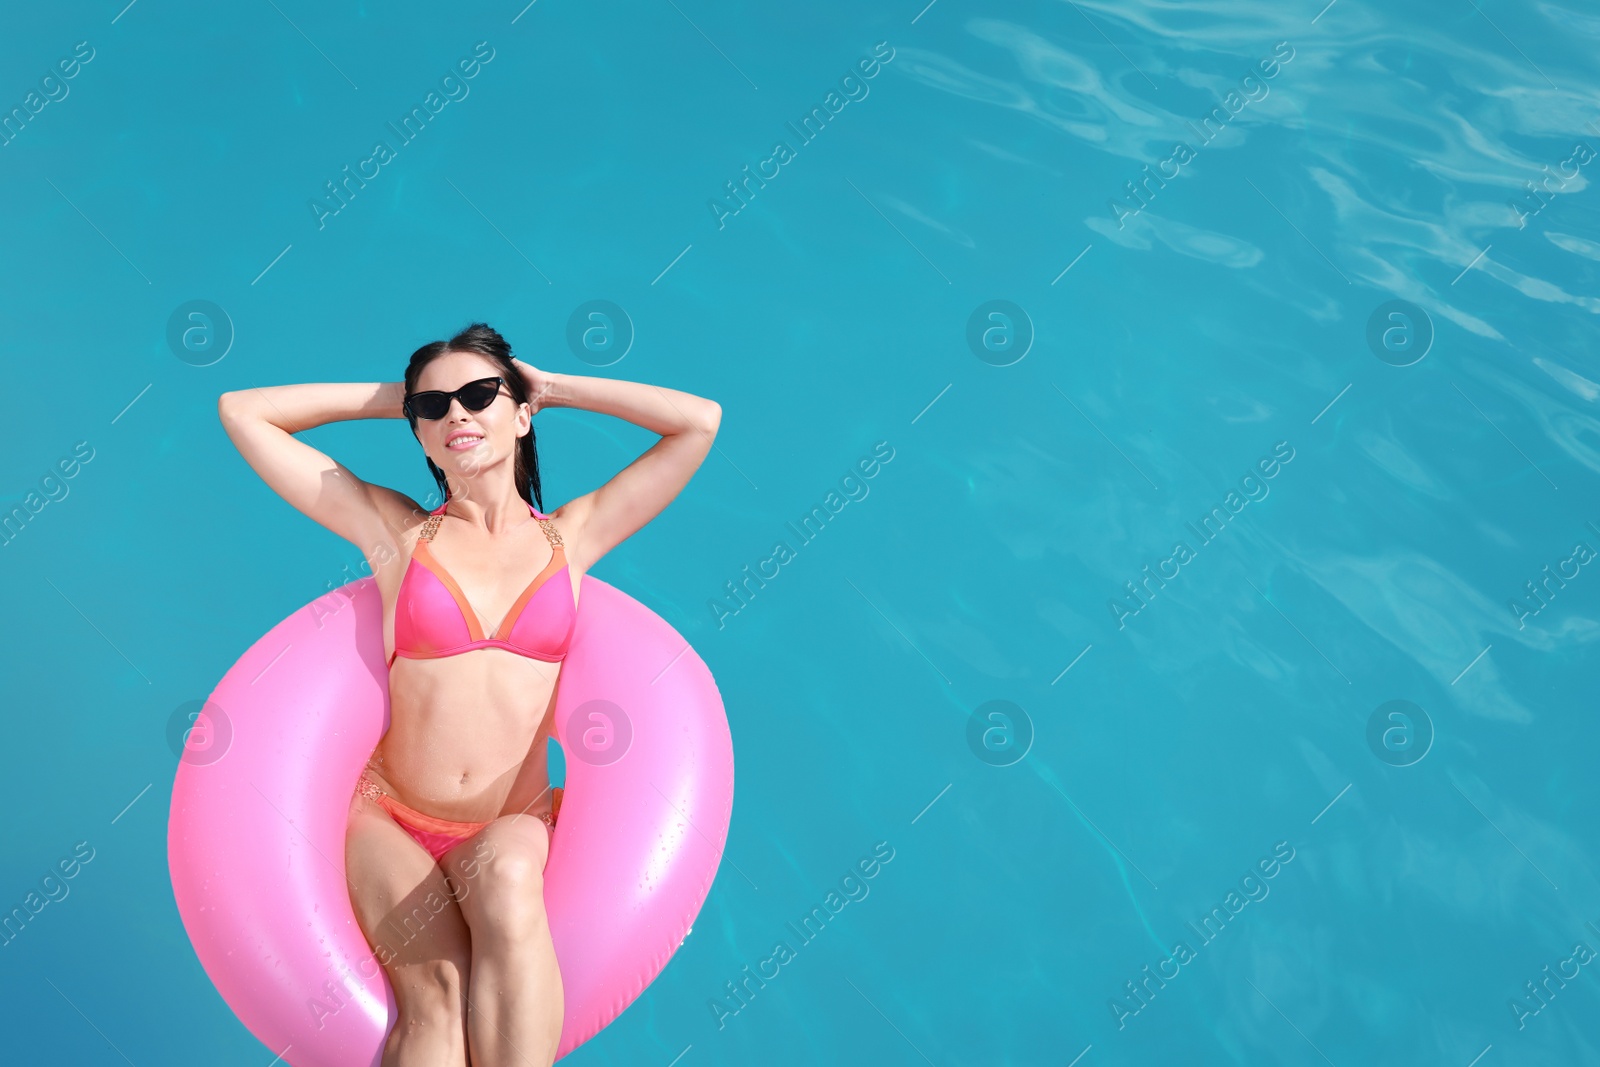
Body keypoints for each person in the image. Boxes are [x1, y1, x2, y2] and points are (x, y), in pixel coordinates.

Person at [217, 322, 720, 1067]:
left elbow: (697, 422)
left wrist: (549, 386)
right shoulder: (397, 532)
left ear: (520, 415)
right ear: (416, 431)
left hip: (506, 821)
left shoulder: (573, 538)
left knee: (512, 880)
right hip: (390, 817)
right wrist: (405, 399)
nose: (458, 414)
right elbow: (242, 410)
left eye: (479, 396)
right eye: (436, 406)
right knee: (438, 994)